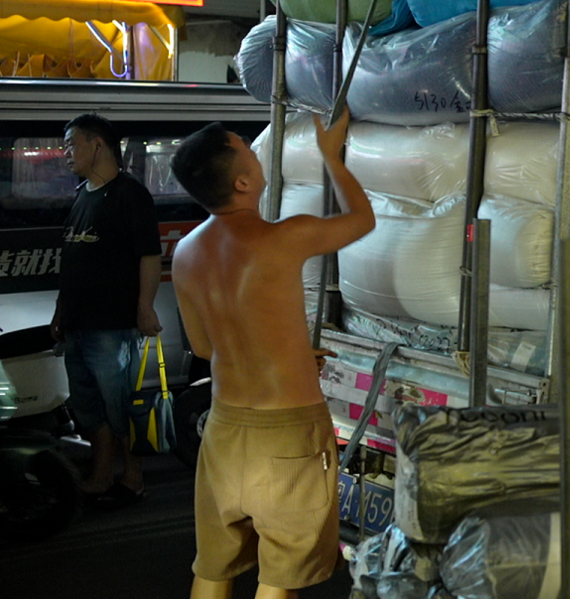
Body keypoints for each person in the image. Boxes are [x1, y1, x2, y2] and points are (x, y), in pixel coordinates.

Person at [170, 112, 375, 599]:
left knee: (215, 565)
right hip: (286, 431)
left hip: (224, 427)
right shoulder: (286, 236)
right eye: (246, 146)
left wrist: (287, 351)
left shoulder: (185, 252)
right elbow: (363, 219)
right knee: (280, 575)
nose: (255, 149)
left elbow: (204, 346)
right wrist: (331, 155)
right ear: (243, 182)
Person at [48, 113, 162, 506]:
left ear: (98, 145)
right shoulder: (83, 195)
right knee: (89, 408)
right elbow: (74, 260)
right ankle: (100, 475)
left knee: (120, 408)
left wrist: (144, 308)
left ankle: (132, 478)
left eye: (71, 143)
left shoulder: (131, 195)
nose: (65, 153)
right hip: (78, 325)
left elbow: (149, 255)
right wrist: (61, 311)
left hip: (113, 326)